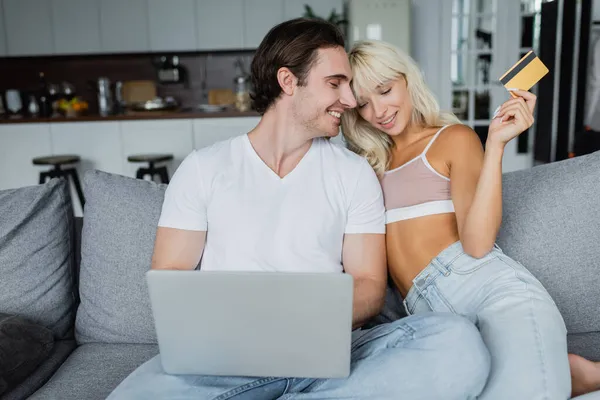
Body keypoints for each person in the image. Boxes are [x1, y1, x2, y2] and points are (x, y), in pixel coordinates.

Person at [107, 19, 491, 400]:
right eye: (335, 83)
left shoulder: (354, 174)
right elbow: (170, 278)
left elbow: (371, 288)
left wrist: (297, 323)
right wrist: (248, 328)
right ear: (289, 82)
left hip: (333, 359)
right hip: (226, 364)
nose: (351, 100)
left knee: (456, 343)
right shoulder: (203, 168)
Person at [341, 39, 571, 400]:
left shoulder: (452, 139)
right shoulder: (367, 165)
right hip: (430, 320)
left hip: (487, 290)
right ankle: (575, 372)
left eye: (385, 91)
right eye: (364, 103)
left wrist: (494, 145)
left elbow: (477, 244)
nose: (378, 111)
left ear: (407, 80)